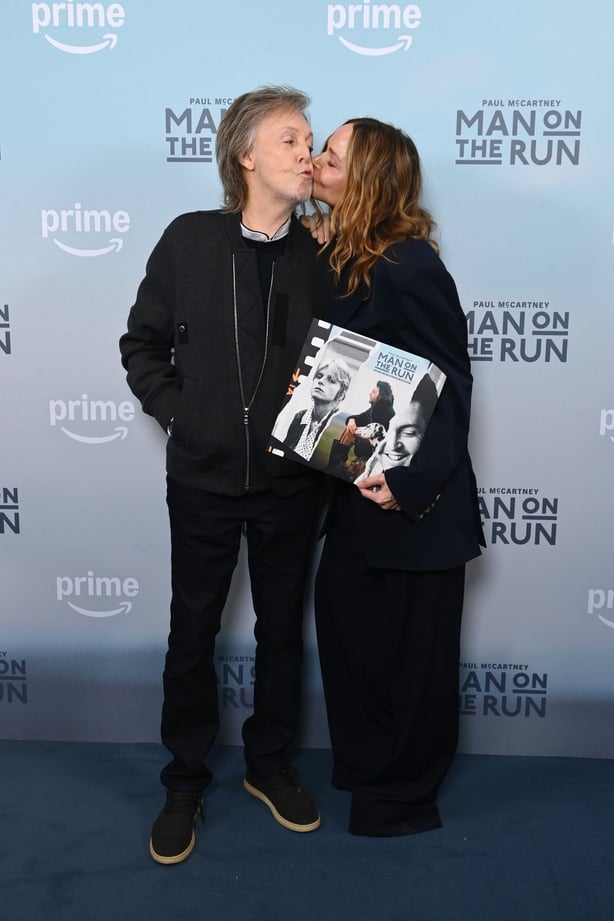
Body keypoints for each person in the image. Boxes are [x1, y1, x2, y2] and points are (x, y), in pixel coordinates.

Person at [119, 86, 323, 865]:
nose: (306, 153)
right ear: (245, 155)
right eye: (289, 139)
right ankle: (185, 779)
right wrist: (181, 415)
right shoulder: (187, 240)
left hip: (293, 487)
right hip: (201, 480)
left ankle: (269, 766)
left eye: (310, 140)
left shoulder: (326, 253)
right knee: (192, 633)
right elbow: (141, 345)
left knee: (280, 634)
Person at [311, 117, 485, 837]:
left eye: (331, 154)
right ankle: (364, 769)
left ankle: (404, 797)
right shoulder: (343, 259)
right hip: (351, 496)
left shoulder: (412, 265)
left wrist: (408, 482)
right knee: (349, 636)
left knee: (413, 661)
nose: (316, 161)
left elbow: (449, 385)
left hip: (414, 506)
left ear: (370, 177)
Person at [355, 373, 438, 481]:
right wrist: (352, 419)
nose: (370, 393)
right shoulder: (374, 409)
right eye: (391, 430)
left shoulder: (386, 412)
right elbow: (362, 417)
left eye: (408, 432)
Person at [284, 355, 352, 459]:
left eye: (331, 380)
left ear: (342, 393)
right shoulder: (299, 417)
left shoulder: (340, 427)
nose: (320, 381)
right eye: (319, 376)